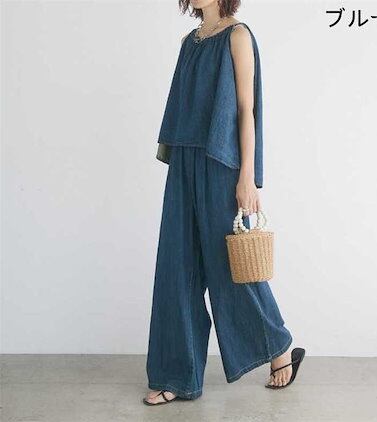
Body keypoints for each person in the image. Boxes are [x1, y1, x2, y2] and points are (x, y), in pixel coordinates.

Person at [143, 0, 305, 406]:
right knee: (176, 268)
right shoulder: (190, 41)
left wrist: (248, 177)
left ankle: (278, 345)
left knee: (231, 265)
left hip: (221, 163)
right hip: (184, 160)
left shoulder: (238, 36)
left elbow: (247, 110)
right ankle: (176, 375)